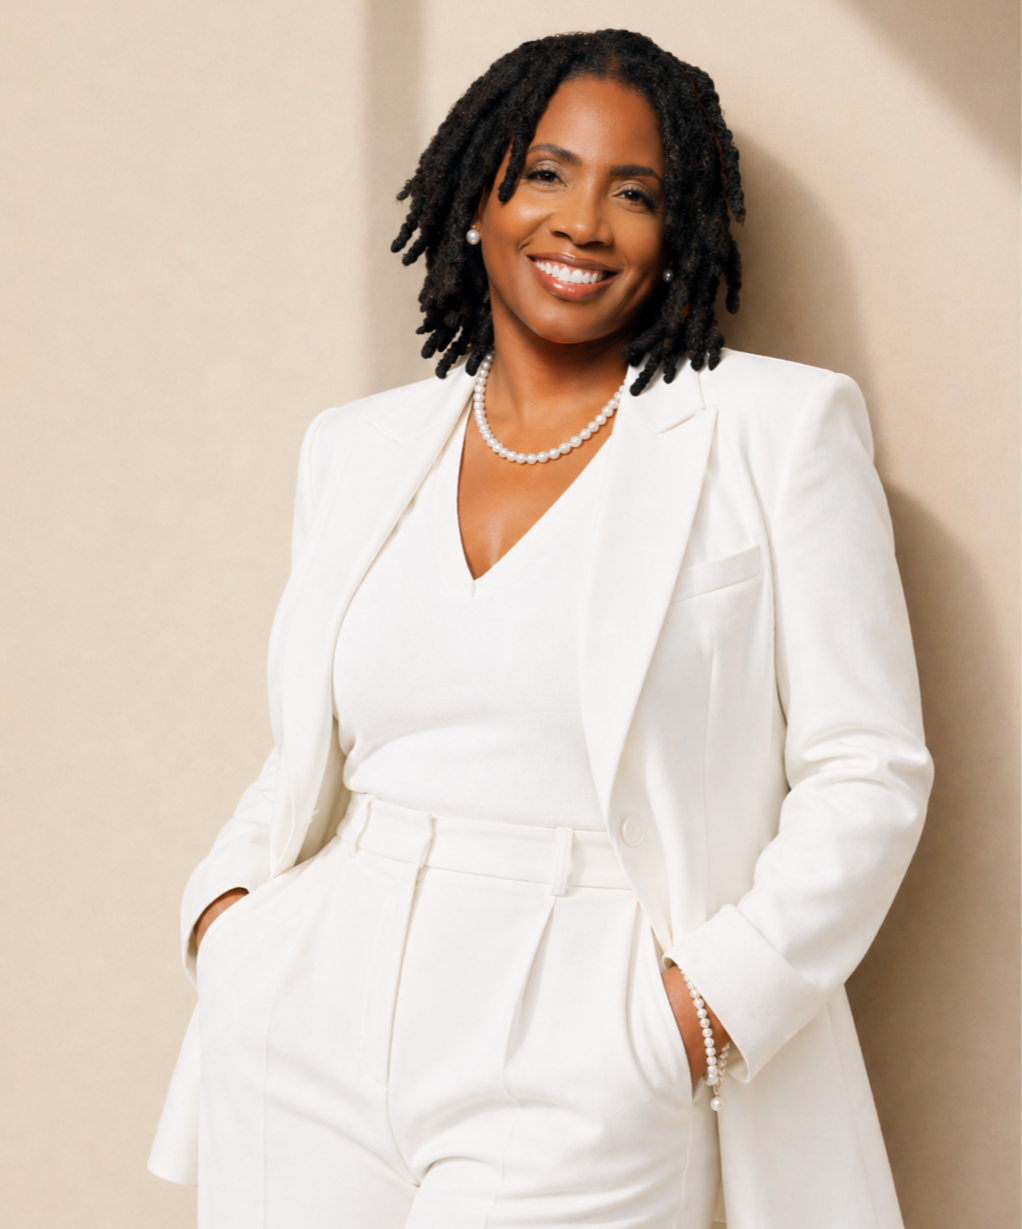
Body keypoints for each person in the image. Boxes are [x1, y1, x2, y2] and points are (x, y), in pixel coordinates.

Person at [149, 28, 932, 1229]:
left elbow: (866, 768)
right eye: (546, 174)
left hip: (593, 1023)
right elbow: (309, 747)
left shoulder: (776, 431)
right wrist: (227, 919)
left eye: (635, 193)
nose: (583, 223)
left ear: (677, 232)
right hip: (308, 1004)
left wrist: (695, 1016)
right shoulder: (356, 447)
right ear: (478, 198)